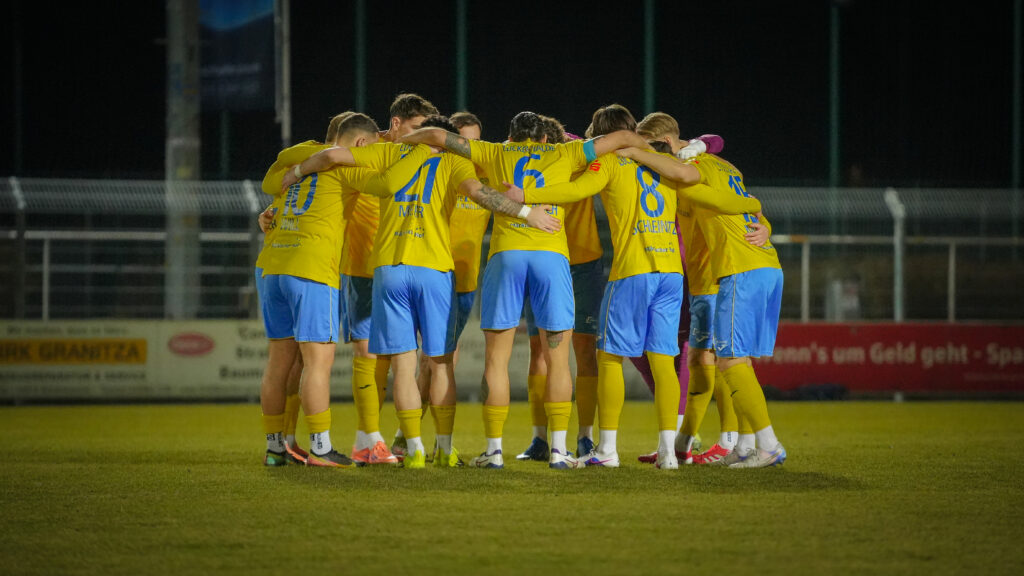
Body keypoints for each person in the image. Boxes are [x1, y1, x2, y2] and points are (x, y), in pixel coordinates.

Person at [280, 114, 561, 469]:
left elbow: (334, 156)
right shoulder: (454, 161)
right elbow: (480, 192)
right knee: (441, 363)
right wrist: (525, 212)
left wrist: (293, 174)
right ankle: (444, 448)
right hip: (434, 267)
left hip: (389, 267)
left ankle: (411, 449)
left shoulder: (390, 153)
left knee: (403, 364)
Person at [508, 104, 763, 469]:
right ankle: (670, 453)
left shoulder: (611, 162)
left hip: (632, 269)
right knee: (663, 360)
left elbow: (577, 189)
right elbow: (700, 187)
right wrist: (754, 205)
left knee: (609, 357)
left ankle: (608, 450)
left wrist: (526, 197)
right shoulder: (668, 165)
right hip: (671, 274)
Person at [398, 112, 650, 469]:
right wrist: (652, 149)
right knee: (558, 359)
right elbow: (622, 136)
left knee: (496, 361)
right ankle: (560, 450)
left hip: (507, 255)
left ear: (511, 137)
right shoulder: (567, 153)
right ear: (545, 139)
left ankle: (494, 450)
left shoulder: (494, 152)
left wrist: (401, 139)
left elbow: (438, 136)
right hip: (552, 256)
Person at [617, 133, 787, 468]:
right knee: (733, 362)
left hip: (740, 269)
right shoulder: (723, 166)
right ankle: (743, 444)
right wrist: (760, 214)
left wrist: (635, 154)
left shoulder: (688, 176)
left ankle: (767, 445)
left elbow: (728, 200)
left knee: (729, 362)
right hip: (762, 264)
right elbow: (739, 189)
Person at [254, 111, 384, 468]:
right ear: (359, 144)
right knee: (318, 362)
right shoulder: (350, 169)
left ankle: (275, 448)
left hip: (271, 265)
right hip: (311, 268)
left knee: (278, 363)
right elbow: (391, 184)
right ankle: (321, 448)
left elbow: (270, 184)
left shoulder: (297, 155)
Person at [343, 94, 438, 465]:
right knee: (368, 352)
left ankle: (384, 438)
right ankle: (368, 438)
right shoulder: (367, 147)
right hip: (363, 265)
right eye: (416, 128)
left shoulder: (421, 153)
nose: (422, 137)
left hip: (404, 265)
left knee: (403, 358)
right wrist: (273, 209)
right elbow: (326, 170)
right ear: (396, 124)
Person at [516, 115, 604, 462]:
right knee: (538, 351)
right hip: (542, 259)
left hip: (581, 262)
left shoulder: (577, 157)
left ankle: (585, 436)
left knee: (584, 350)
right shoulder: (525, 162)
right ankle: (540, 439)